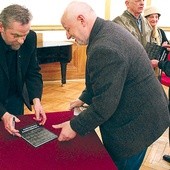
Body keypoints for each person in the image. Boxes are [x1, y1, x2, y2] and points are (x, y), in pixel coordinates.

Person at [52, 1, 170, 169]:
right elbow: (106, 80)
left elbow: (105, 104)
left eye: (68, 28)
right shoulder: (104, 30)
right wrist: (85, 97)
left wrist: (74, 126)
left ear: (81, 20)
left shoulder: (105, 46)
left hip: (136, 127)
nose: (68, 35)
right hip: (144, 112)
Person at [0, 4, 46, 137]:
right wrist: (3, 113)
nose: (21, 41)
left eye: (24, 35)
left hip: (15, 98)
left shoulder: (30, 38)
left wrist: (36, 100)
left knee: (13, 139)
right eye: (15, 35)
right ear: (1, 27)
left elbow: (33, 72)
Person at [144, 6, 170, 163]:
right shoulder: (143, 33)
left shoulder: (160, 32)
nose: (154, 20)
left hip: (157, 70)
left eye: (156, 17)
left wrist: (159, 64)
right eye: (151, 17)